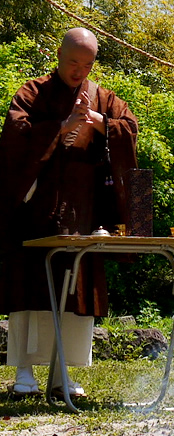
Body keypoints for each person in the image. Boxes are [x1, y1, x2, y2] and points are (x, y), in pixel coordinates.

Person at [0, 27, 138, 397]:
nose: (80, 71)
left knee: (72, 290)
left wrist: (97, 121)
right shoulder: (33, 91)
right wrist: (59, 129)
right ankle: (25, 374)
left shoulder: (102, 98)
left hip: (83, 211)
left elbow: (129, 129)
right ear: (58, 55)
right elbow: (15, 135)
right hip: (36, 208)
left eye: (88, 64)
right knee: (30, 290)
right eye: (74, 62)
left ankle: (63, 373)